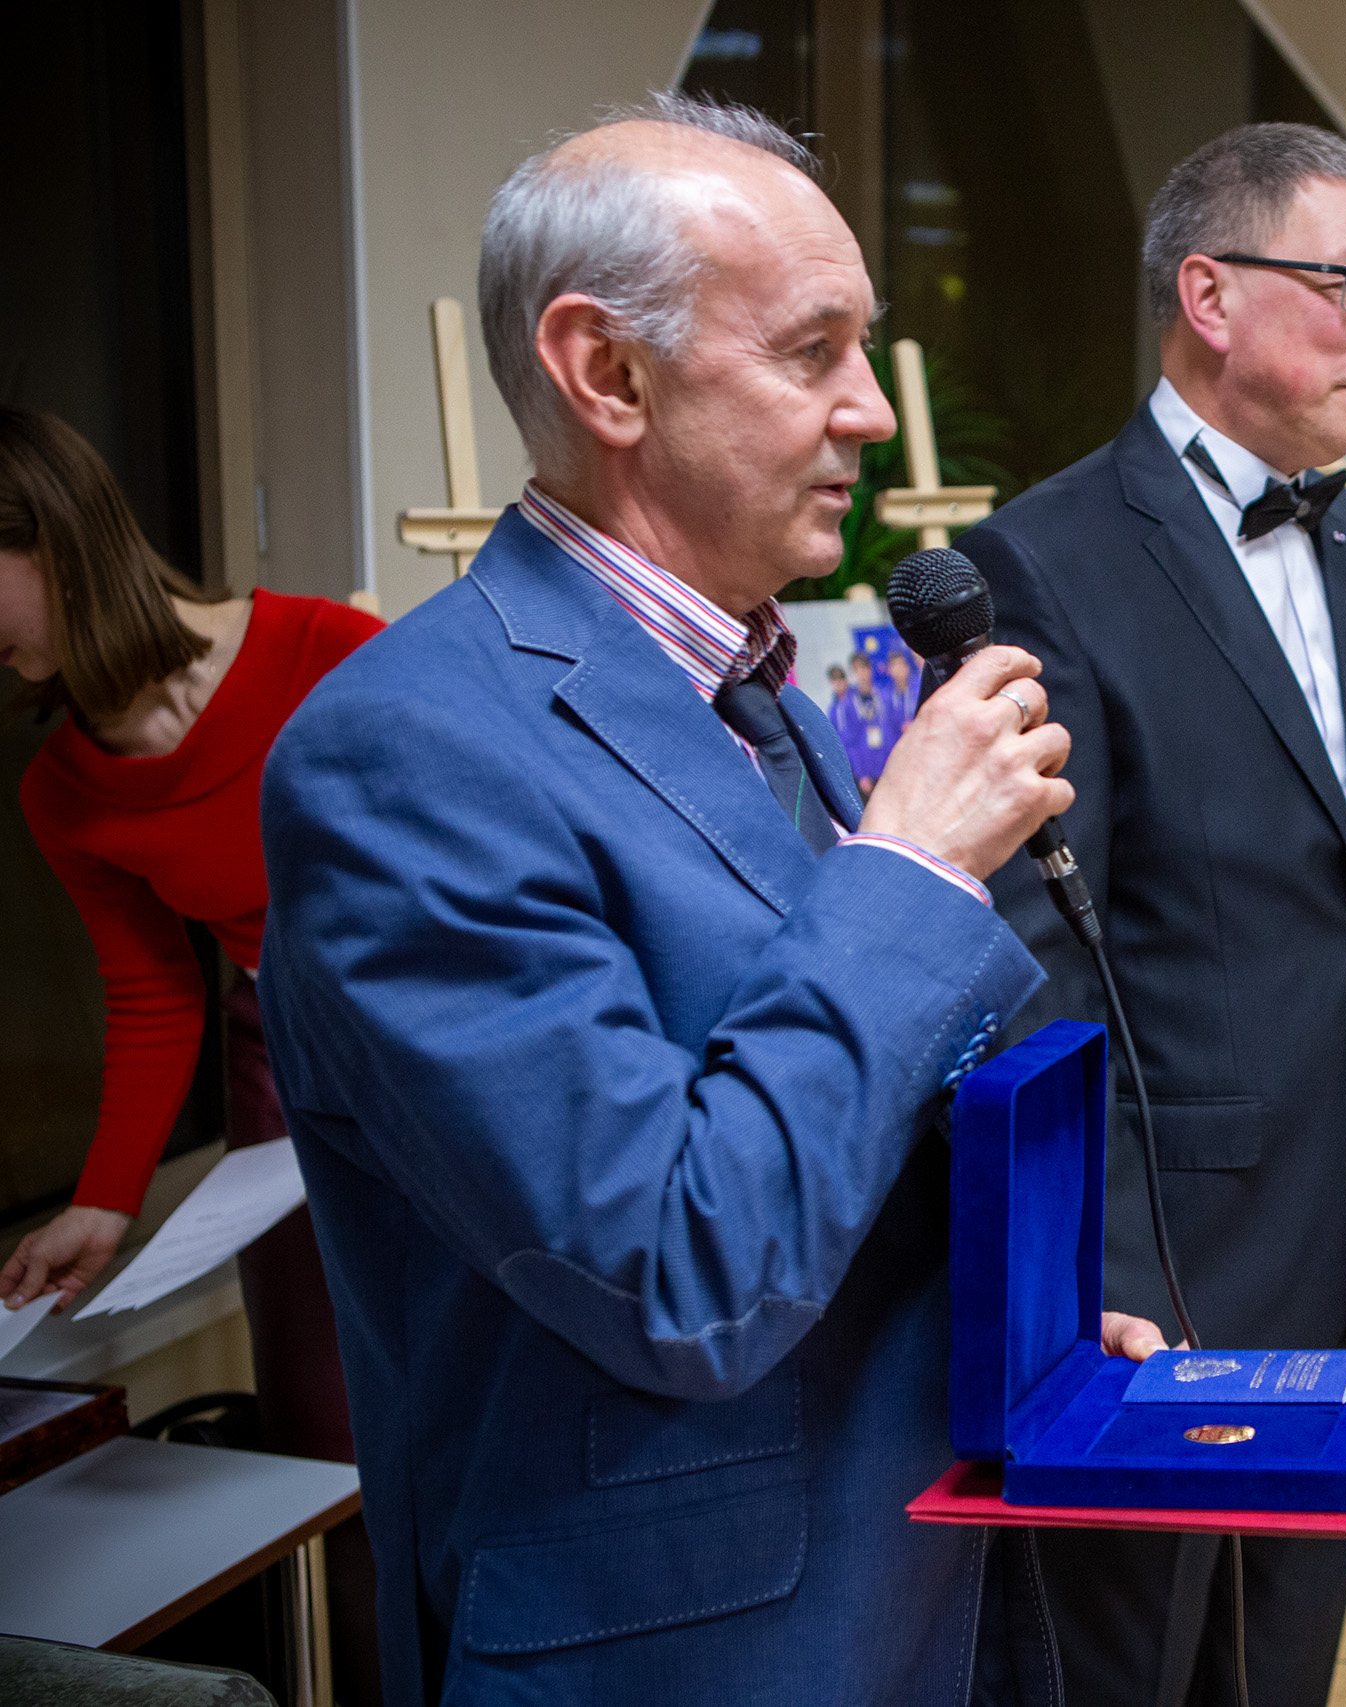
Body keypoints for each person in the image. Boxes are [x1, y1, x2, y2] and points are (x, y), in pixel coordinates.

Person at [253, 95, 1160, 1707]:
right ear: (608, 373)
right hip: (686, 1641)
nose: (871, 408)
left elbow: (836, 1115)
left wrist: (1023, 1317)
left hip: (907, 1573)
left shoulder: (764, 695)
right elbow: (678, 1269)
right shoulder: (403, 752)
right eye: (814, 352)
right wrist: (908, 871)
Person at [963, 122, 1346, 1707]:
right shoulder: (1043, 558)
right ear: (1210, 294)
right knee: (1136, 1654)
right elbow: (1038, 947)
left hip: (1344, 1204)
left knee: (1285, 1644)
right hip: (1162, 1240)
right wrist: (1085, 1261)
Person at [1, 402, 388, 1684]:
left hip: (433, 1040)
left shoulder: (329, 650)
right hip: (283, 1074)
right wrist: (104, 1204)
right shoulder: (63, 791)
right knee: (328, 1437)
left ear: (50, 538)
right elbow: (153, 990)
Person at [831, 648, 896, 797]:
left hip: (889, 764)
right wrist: (861, 774)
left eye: (864, 668)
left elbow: (893, 730)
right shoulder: (848, 705)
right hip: (868, 771)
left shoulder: (884, 697)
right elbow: (850, 742)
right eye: (856, 670)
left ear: (870, 669)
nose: (861, 674)